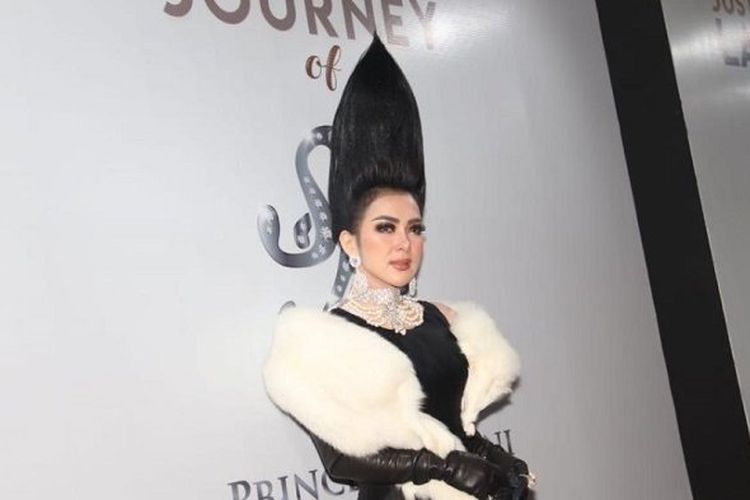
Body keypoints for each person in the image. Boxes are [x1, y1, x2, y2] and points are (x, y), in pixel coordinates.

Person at [264, 35, 534, 500]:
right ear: (350, 241)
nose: (404, 243)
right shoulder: (326, 338)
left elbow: (454, 427)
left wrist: (498, 460)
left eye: (414, 228)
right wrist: (439, 467)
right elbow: (341, 459)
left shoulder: (442, 320)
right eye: (386, 228)